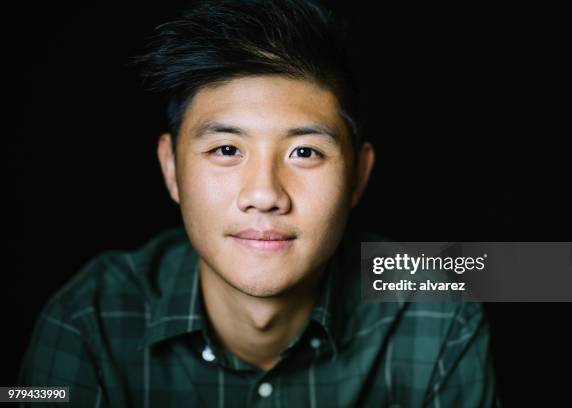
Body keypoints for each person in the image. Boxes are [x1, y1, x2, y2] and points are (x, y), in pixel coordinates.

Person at [18, 0, 498, 406]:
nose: (265, 195)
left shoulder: (439, 310)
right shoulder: (88, 317)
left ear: (358, 175)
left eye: (304, 152)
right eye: (227, 150)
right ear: (171, 169)